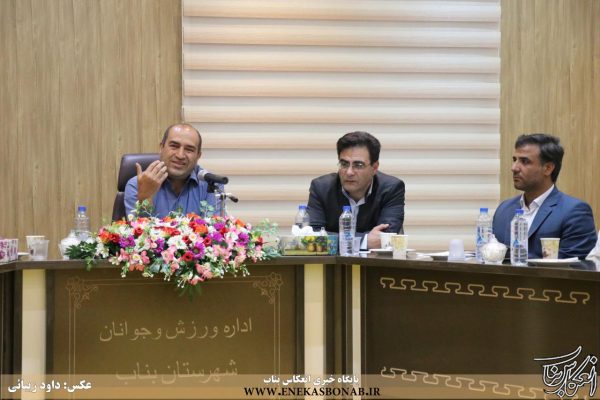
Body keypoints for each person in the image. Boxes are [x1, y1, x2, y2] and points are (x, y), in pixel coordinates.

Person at [492, 133, 597, 259]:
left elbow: (575, 266)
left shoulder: (574, 212)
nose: (514, 168)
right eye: (515, 160)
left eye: (525, 161)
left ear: (548, 168)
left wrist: (519, 258)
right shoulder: (504, 209)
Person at [307, 131, 405, 249]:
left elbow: (386, 237)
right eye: (344, 164)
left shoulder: (391, 188)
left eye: (358, 165)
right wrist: (364, 241)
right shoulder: (321, 187)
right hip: (335, 261)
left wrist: (335, 239)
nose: (349, 172)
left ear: (374, 168)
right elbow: (311, 237)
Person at [124, 123, 218, 217]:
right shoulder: (137, 185)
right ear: (161, 147)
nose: (180, 155)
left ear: (198, 156)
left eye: (189, 149)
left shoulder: (210, 185)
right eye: (174, 146)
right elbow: (138, 226)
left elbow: (215, 225)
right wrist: (145, 198)